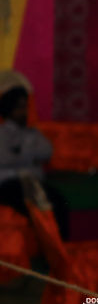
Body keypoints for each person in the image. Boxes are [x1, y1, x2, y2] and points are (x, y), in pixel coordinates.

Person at [0, 86, 70, 238]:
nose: (24, 112)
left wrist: (21, 152)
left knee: (58, 202)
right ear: (9, 109)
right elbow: (5, 158)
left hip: (33, 182)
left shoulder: (32, 132)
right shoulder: (2, 133)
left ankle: (58, 248)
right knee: (32, 208)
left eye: (25, 107)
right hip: (9, 184)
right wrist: (30, 156)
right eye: (20, 107)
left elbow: (47, 151)